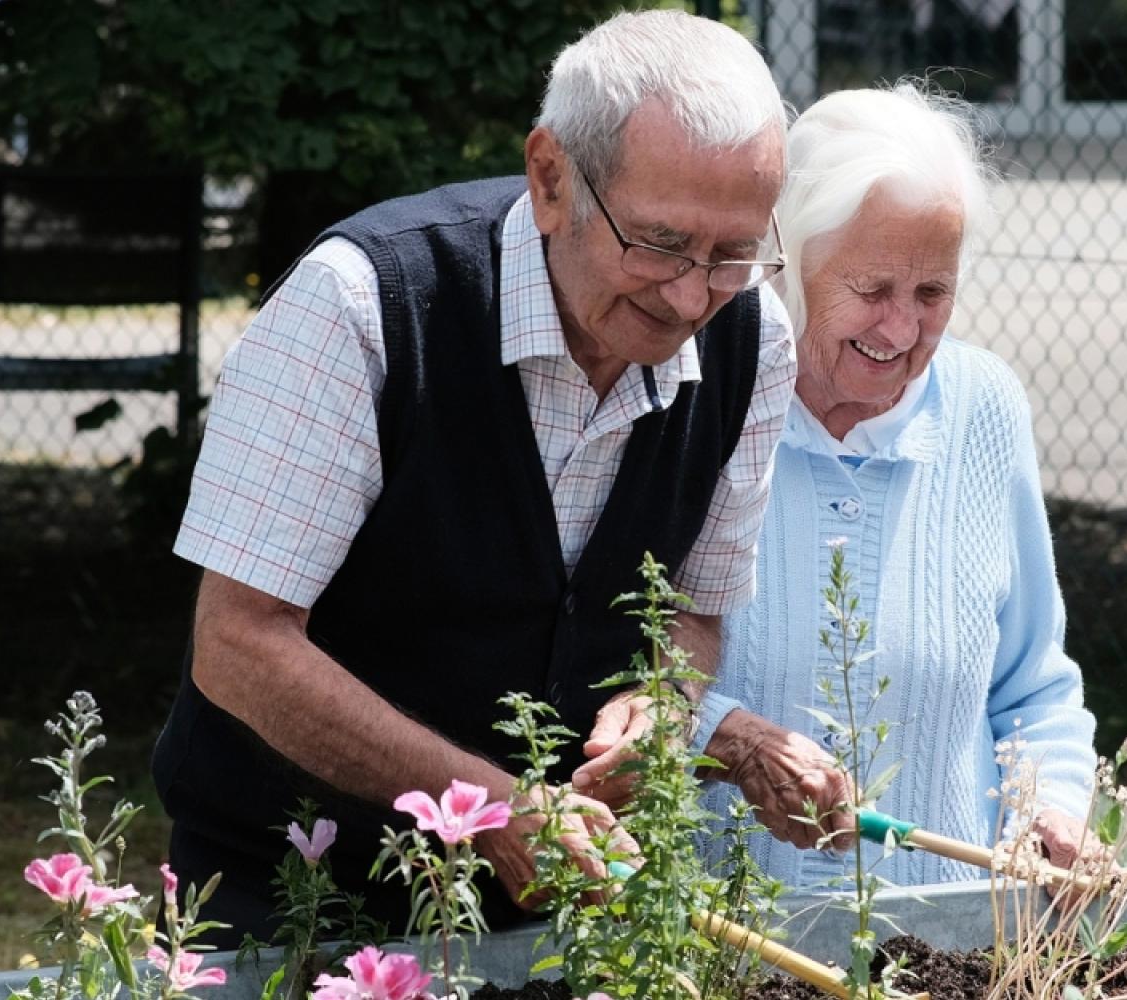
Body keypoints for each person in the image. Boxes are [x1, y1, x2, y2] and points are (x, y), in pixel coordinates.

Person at [151, 9, 796, 938]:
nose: (694, 296)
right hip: (297, 889)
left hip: (564, 901)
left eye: (733, 253)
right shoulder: (361, 303)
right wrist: (488, 808)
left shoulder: (755, 339)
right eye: (659, 243)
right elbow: (240, 643)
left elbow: (694, 610)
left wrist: (661, 704)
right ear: (549, 178)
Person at [694, 83, 1098, 887]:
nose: (901, 330)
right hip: (721, 941)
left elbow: (1034, 686)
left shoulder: (984, 408)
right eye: (872, 290)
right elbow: (614, 673)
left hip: (944, 944)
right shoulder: (697, 400)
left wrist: (1048, 807)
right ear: (791, 262)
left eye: (932, 293)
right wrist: (724, 736)